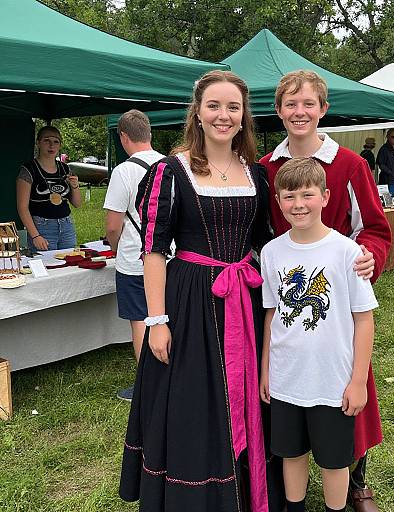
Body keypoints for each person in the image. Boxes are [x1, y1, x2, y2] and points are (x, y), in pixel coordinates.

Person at [119, 70, 284, 512]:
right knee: (195, 404)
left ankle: (247, 493)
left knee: (249, 397)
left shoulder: (257, 173)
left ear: (244, 115)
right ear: (198, 112)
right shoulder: (169, 172)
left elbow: (266, 241)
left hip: (244, 299)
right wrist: (156, 321)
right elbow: (152, 252)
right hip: (190, 301)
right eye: (214, 106)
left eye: (233, 107)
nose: (223, 115)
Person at [260, 70, 391, 512]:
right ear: (279, 111)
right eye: (291, 104)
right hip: (288, 300)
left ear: (323, 109)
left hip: (336, 293)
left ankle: (356, 480)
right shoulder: (266, 170)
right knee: (295, 401)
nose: (300, 112)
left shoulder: (350, 166)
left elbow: (374, 227)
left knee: (349, 391)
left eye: (308, 104)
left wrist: (368, 254)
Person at [103, 110, 165, 402]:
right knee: (167, 316)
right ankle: (171, 378)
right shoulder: (171, 165)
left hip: (134, 259)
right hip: (170, 256)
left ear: (123, 137)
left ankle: (147, 387)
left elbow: (113, 225)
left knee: (141, 320)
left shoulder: (123, 172)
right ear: (149, 134)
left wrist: (115, 248)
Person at [16, 126, 81, 251]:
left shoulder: (65, 168)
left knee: (69, 265)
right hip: (42, 226)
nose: (51, 145)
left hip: (66, 225)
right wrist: (35, 235)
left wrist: (75, 186)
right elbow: (22, 207)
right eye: (47, 140)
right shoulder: (28, 170)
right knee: (47, 267)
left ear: (60, 145)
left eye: (56, 141)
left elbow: (77, 204)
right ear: (38, 143)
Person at [376, 128, 394, 197]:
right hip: (389, 182)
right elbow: (381, 165)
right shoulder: (384, 149)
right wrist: (391, 173)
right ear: (388, 137)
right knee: (390, 202)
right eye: (393, 137)